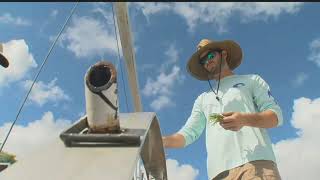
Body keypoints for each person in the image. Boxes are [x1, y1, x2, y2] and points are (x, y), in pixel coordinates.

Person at [162, 39, 283, 180]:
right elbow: (189, 133)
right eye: (203, 61)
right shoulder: (202, 99)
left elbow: (275, 116)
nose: (207, 61)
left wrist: (244, 119)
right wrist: (163, 141)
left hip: (256, 164)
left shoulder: (251, 80)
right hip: (218, 174)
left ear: (224, 54)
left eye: (210, 56)